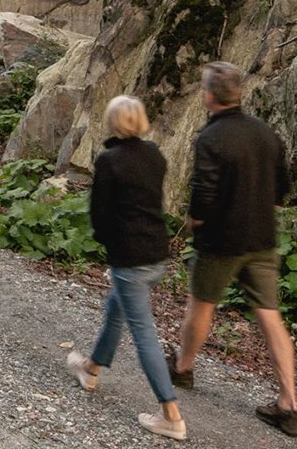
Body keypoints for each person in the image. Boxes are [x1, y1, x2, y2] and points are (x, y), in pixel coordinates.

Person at [168, 61, 297, 438]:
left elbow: (203, 195)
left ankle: (182, 367)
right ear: (238, 92)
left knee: (202, 305)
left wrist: (197, 221)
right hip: (262, 240)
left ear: (209, 96)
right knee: (270, 317)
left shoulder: (211, 138)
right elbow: (281, 191)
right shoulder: (266, 134)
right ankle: (289, 404)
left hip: (220, 242)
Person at [66, 94, 185, 441]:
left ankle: (171, 415)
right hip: (157, 251)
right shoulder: (156, 155)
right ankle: (91, 369)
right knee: (115, 309)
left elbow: (100, 212)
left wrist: (105, 239)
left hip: (129, 256)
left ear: (113, 121)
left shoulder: (110, 160)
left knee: (144, 333)